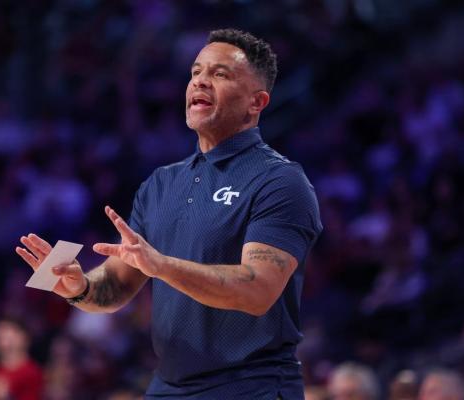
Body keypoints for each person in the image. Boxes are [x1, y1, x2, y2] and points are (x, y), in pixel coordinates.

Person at [17, 28, 322, 398]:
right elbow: (115, 288)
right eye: (196, 72)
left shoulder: (279, 180)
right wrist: (79, 287)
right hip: (168, 386)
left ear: (256, 102)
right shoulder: (161, 184)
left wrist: (161, 265)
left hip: (251, 386)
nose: (201, 82)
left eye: (220, 74)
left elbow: (257, 289)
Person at [0, 317, 43, 400]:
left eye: (7, 329)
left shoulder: (32, 373)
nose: (1, 332)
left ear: (24, 337)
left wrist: (7, 397)